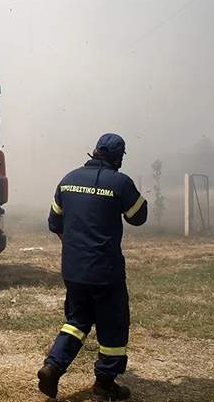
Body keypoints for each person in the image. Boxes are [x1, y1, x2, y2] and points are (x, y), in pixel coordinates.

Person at [37, 133, 148, 401]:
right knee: (113, 326)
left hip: (73, 270)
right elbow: (139, 217)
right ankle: (104, 385)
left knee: (76, 321)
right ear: (119, 158)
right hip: (106, 273)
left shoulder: (68, 180)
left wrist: (75, 248)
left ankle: (53, 366)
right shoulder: (120, 182)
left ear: (94, 150)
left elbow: (55, 223)